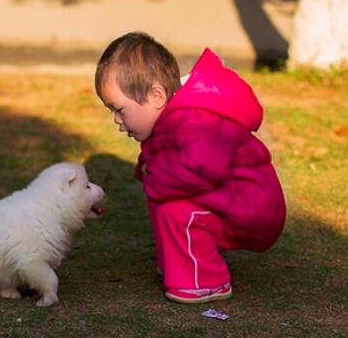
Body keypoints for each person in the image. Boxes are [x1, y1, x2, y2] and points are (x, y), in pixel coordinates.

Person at [95, 32, 286, 304]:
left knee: (176, 210)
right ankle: (178, 263)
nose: (116, 120)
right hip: (230, 199)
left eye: (120, 109)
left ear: (156, 95)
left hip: (253, 208)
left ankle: (205, 282)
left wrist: (154, 174)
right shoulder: (171, 118)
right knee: (162, 199)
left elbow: (200, 167)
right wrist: (149, 169)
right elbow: (162, 154)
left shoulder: (196, 120)